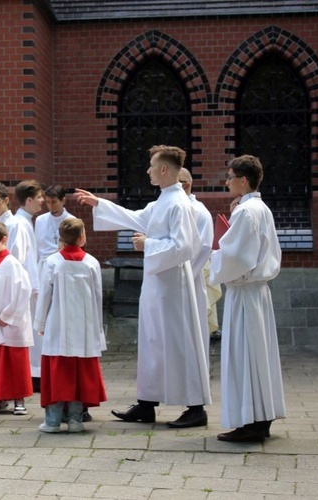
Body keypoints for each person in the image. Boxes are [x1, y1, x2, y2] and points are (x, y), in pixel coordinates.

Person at [75, 145, 211, 429]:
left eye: (151, 165)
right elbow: (136, 217)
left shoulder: (179, 204)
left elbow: (185, 247)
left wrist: (147, 244)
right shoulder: (164, 200)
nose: (147, 170)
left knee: (177, 342)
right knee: (153, 341)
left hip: (173, 284)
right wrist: (99, 203)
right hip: (159, 282)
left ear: (164, 169)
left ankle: (196, 408)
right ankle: (147, 404)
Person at [210, 155, 286, 442]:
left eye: (230, 177)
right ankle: (260, 417)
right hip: (257, 292)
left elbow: (236, 257)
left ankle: (249, 422)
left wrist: (214, 255)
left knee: (244, 355)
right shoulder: (260, 207)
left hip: (244, 291)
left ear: (243, 180)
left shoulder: (246, 212)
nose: (227, 182)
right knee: (258, 356)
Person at [34, 218, 107, 433]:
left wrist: (40, 322)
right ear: (82, 237)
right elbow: (97, 297)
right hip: (83, 327)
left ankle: (53, 421)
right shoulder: (92, 263)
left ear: (60, 238)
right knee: (78, 372)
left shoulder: (53, 262)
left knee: (58, 372)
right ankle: (75, 420)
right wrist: (97, 328)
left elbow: (44, 296)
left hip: (57, 325)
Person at [0, 222, 34, 416]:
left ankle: (19, 399)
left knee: (14, 361)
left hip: (10, 322)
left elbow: (23, 290)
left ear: (4, 240)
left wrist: (8, 315)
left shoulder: (12, 263)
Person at [178, 168, 214, 365]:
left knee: (192, 331)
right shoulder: (174, 207)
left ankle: (195, 378)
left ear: (186, 185)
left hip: (189, 279)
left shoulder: (199, 211)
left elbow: (204, 247)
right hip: (172, 280)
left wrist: (183, 274)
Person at [35, 184, 75, 262]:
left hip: (64, 263)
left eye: (54, 202)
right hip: (43, 265)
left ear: (63, 200)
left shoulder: (72, 221)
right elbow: (37, 248)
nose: (51, 206)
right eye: (48, 202)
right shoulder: (40, 220)